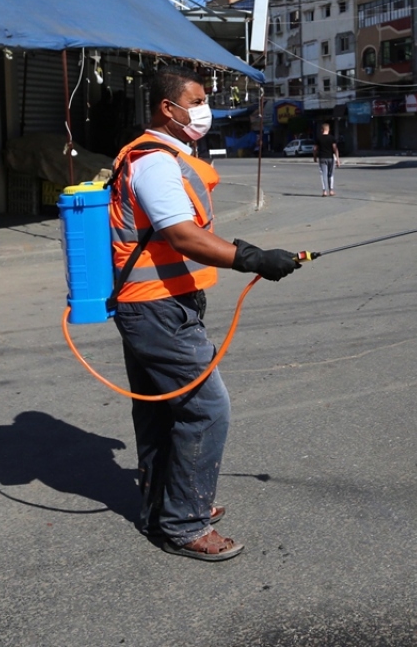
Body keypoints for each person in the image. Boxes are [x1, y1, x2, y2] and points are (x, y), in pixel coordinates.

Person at [109, 64, 301, 561]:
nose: (203, 110)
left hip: (149, 304)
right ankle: (185, 523)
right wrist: (252, 257)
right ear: (167, 109)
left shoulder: (159, 156)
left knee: (158, 411)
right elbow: (182, 235)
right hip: (158, 310)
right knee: (207, 409)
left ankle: (163, 508)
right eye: (195, 101)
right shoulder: (155, 162)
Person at [316, 122, 340, 197]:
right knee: (331, 174)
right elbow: (335, 149)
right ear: (328, 129)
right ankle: (331, 190)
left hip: (322, 158)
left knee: (323, 175)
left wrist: (314, 157)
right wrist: (337, 159)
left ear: (322, 130)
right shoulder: (332, 138)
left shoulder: (318, 138)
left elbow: (314, 149)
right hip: (330, 158)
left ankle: (324, 191)